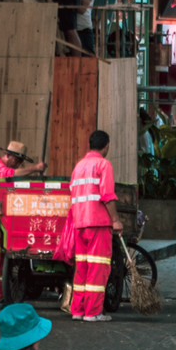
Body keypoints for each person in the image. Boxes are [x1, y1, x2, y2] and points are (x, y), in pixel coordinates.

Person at [0, 140, 47, 307]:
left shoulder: (0, 166)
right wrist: (35, 169)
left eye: (20, 162)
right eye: (16, 160)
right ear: (8, 155)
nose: (18, 164)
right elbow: (9, 174)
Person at [68, 129, 123, 322]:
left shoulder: (79, 166)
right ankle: (93, 312)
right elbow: (107, 195)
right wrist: (115, 220)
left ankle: (77, 310)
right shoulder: (103, 164)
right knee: (98, 268)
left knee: (82, 267)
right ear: (106, 146)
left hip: (79, 223)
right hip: (98, 224)